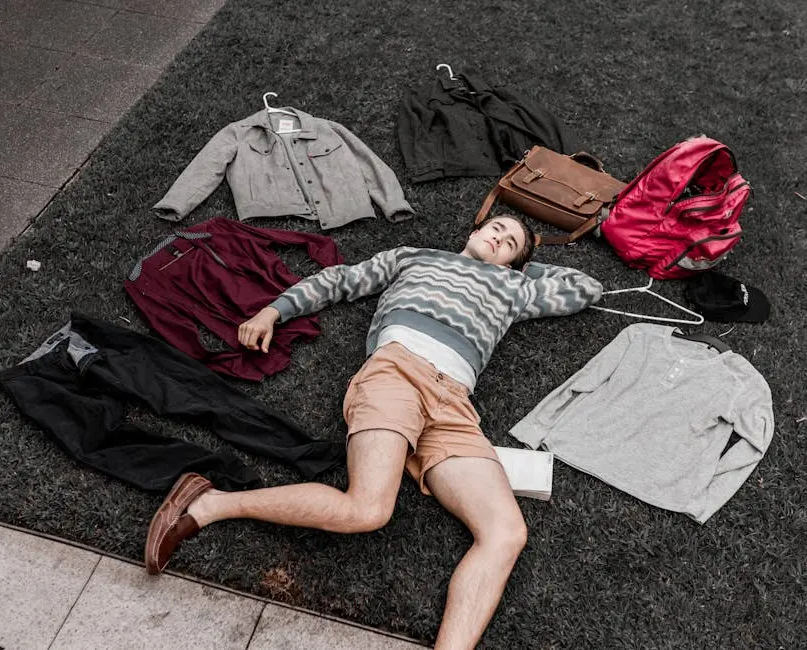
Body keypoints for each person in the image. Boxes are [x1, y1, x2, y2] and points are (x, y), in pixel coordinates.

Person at [144, 214, 603, 649]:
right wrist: (273, 312)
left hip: (455, 405)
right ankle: (209, 503)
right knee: (367, 509)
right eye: (497, 229)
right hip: (397, 373)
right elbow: (340, 280)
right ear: (476, 227)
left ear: (516, 263)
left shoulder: (516, 289)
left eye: (510, 245)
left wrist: (525, 264)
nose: (500, 238)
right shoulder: (412, 256)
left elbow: (585, 287)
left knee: (505, 533)